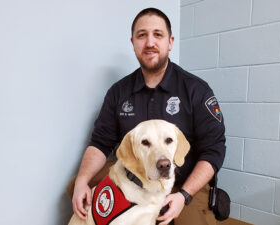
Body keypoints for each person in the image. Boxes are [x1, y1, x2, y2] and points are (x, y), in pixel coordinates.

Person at [70, 7, 226, 225]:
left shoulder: (196, 90)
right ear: (133, 42)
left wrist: (185, 195)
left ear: (170, 42)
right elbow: (100, 142)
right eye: (142, 35)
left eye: (158, 35)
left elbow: (214, 150)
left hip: (182, 182)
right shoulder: (118, 92)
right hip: (133, 176)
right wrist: (82, 181)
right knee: (74, 188)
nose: (150, 42)